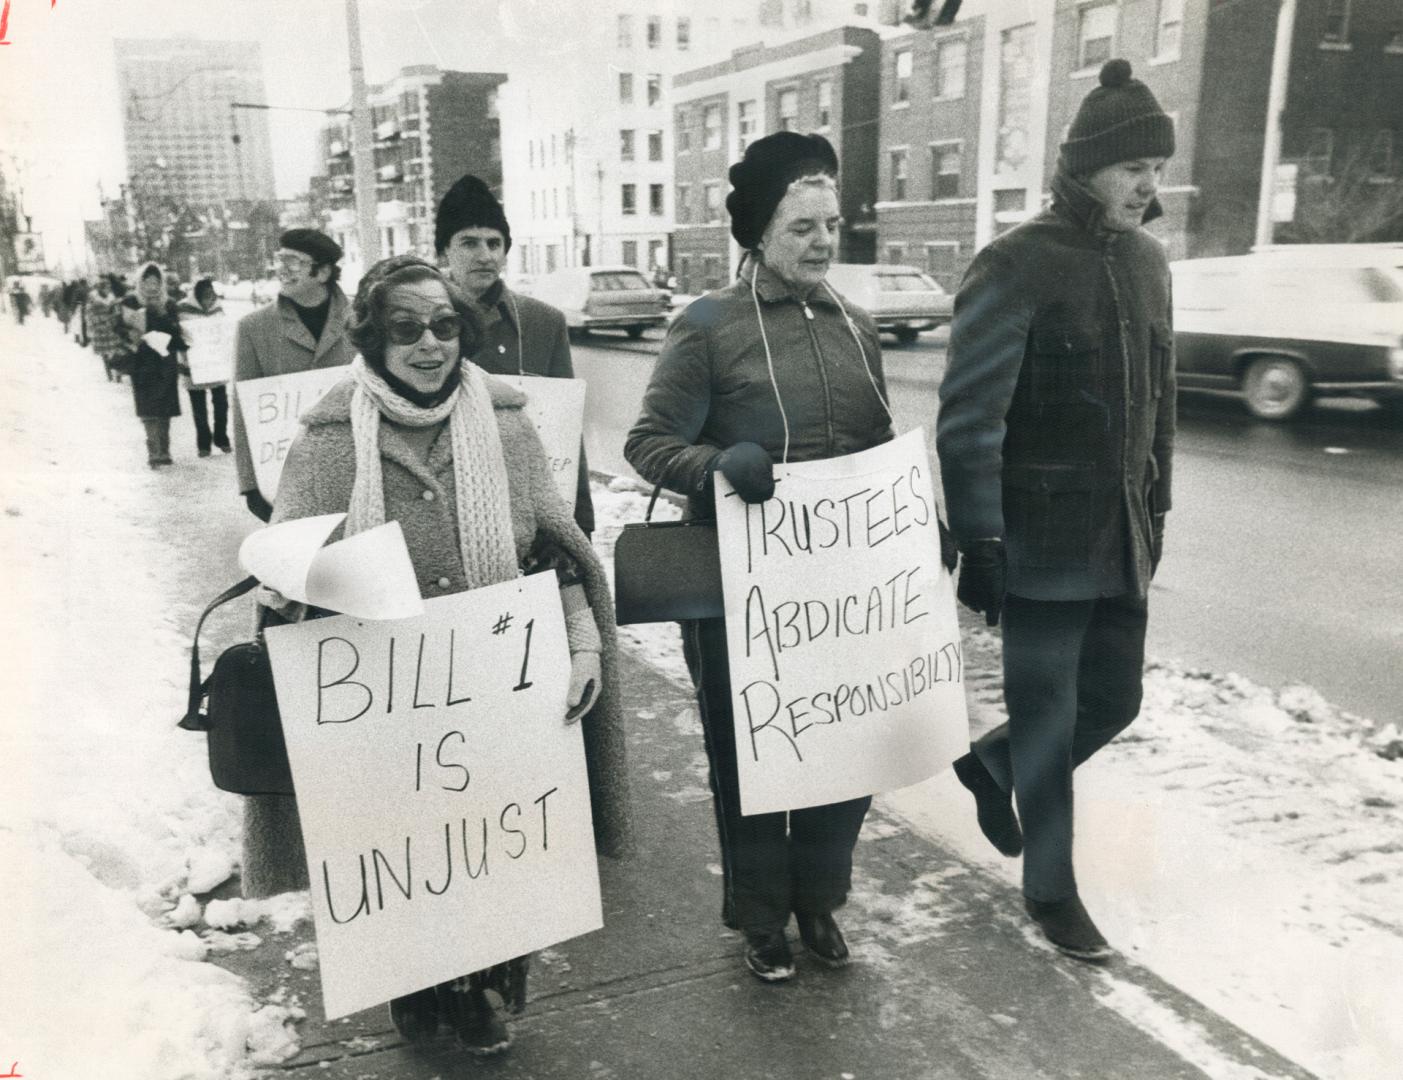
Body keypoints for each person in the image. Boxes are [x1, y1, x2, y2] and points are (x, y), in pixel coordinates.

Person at [242, 254, 631, 1055]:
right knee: (407, 846)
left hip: (500, 685)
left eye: (446, 325)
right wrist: (308, 582)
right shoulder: (326, 442)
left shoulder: (511, 424)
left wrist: (584, 643)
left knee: (496, 842)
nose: (429, 344)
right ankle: (416, 987)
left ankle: (486, 987)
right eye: (406, 327)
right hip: (382, 696)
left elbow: (551, 553)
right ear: (373, 337)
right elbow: (283, 577)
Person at [624, 131, 898, 983]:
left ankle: (817, 900)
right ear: (758, 235)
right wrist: (718, 467)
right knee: (750, 753)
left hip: (840, 584)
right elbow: (648, 443)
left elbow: (877, 438)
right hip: (737, 581)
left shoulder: (855, 325)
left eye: (832, 224)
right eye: (801, 227)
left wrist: (915, 514)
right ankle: (760, 918)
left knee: (842, 744)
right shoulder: (706, 326)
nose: (822, 242)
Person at [936, 59, 1176, 963]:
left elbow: (1161, 405)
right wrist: (982, 541)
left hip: (1119, 536)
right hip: (1037, 543)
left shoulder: (1150, 264)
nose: (1147, 184)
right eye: (1130, 167)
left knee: (1114, 698)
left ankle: (987, 768)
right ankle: (1051, 891)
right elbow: (968, 420)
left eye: (1155, 166)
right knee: (1046, 714)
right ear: (1083, 170)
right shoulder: (1015, 262)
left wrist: (1159, 512)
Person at [434, 174, 595, 536]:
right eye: (469, 242)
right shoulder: (420, 324)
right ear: (444, 250)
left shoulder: (542, 322)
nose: (485, 255)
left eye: (495, 242)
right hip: (447, 513)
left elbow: (565, 430)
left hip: (525, 508)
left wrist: (580, 521)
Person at [230, 228, 355, 520]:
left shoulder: (362, 320)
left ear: (322, 272)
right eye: (279, 259)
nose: (281, 269)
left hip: (356, 472)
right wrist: (250, 485)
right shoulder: (254, 327)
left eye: (294, 262)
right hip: (287, 479)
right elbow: (244, 410)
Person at [110, 262, 189, 468]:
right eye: (147, 281)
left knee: (165, 408)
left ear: (161, 283)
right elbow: (117, 327)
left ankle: (164, 449)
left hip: (164, 362)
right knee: (147, 408)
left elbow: (178, 333)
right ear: (140, 282)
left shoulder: (169, 303)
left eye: (156, 282)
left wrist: (163, 316)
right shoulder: (130, 301)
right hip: (142, 361)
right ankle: (153, 451)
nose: (152, 286)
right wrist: (132, 334)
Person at [177, 278, 232, 456]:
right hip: (194, 366)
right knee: (198, 407)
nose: (209, 298)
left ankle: (221, 438)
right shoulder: (182, 309)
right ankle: (203, 444)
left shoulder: (218, 308)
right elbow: (177, 334)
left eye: (211, 294)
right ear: (197, 295)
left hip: (215, 365)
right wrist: (184, 347)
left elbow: (224, 333)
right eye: (205, 295)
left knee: (222, 404)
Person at [87, 276, 124, 381]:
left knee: (117, 351)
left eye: (108, 287)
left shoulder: (112, 297)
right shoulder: (93, 298)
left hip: (112, 328)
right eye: (105, 287)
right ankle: (109, 375)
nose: (107, 289)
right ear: (100, 288)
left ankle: (118, 374)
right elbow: (89, 314)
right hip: (100, 329)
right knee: (105, 353)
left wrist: (115, 317)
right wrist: (99, 321)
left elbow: (116, 311)